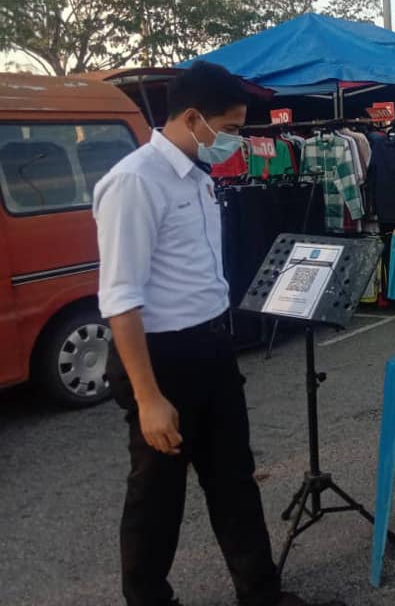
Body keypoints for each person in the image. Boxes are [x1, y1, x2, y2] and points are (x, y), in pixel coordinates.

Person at [95, 62, 341, 606]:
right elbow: (120, 300)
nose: (237, 140)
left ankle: (260, 592)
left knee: (234, 480)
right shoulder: (134, 183)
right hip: (162, 359)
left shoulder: (199, 177)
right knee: (157, 496)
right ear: (190, 118)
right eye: (230, 128)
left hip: (211, 347)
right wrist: (149, 397)